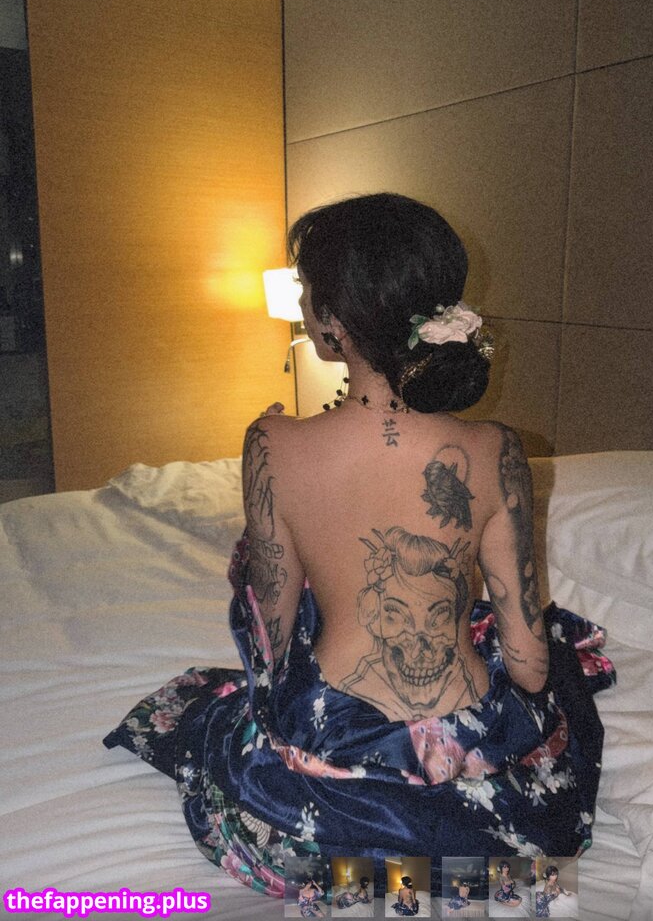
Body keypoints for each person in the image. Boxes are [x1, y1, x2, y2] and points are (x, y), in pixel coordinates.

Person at [104, 193, 614, 897]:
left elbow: (273, 639)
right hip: (481, 787)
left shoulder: (272, 444)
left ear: (334, 321)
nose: (302, 304)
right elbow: (529, 668)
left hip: (330, 767)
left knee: (214, 719)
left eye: (306, 290)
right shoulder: (497, 450)